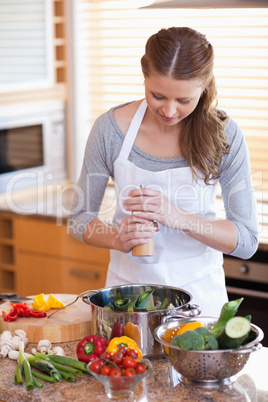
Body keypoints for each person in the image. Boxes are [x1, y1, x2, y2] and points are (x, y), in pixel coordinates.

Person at [68, 26, 258, 316]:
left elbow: (246, 241)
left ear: (204, 88)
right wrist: (116, 238)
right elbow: (79, 219)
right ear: (144, 75)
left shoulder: (224, 134)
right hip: (128, 300)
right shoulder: (109, 130)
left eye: (184, 100)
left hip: (199, 300)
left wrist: (178, 217)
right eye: (157, 95)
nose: (169, 111)